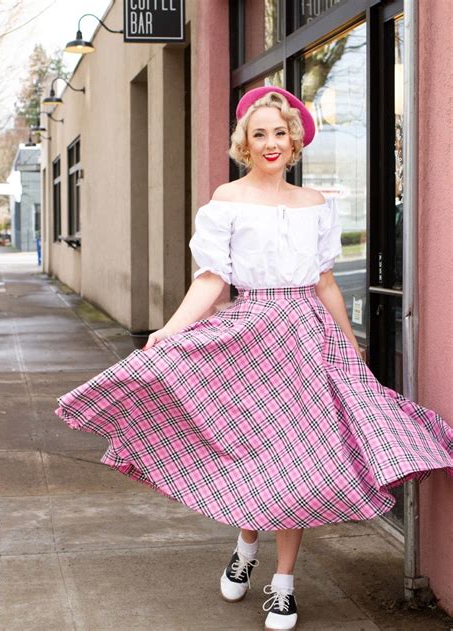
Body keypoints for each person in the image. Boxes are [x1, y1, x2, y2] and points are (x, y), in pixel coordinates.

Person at [55, 86, 453, 631]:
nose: (271, 142)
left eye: (280, 133)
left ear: (294, 142)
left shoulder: (316, 203)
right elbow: (212, 280)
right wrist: (167, 333)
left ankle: (283, 583)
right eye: (260, 133)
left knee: (302, 466)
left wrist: (348, 344)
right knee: (254, 455)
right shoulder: (226, 200)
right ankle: (245, 545)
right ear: (246, 141)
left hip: (307, 339)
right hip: (249, 335)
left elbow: (327, 282)